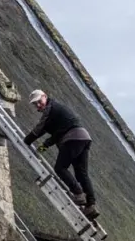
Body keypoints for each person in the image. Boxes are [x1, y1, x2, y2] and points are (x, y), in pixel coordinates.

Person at [22, 89, 99, 219]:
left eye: (39, 102)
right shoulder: (56, 112)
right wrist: (42, 148)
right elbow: (55, 136)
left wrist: (26, 141)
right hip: (84, 138)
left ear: (45, 96)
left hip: (73, 138)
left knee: (60, 168)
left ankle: (78, 194)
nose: (38, 105)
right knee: (81, 173)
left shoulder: (50, 109)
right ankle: (91, 206)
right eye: (35, 104)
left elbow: (39, 130)